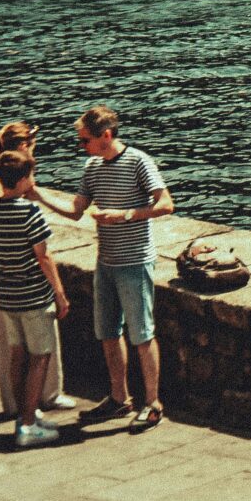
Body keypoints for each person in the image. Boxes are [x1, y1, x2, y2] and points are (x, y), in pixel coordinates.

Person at [70, 105, 173, 429]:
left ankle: (153, 403)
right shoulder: (92, 166)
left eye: (85, 140)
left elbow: (165, 203)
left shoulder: (138, 161)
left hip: (134, 263)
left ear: (106, 136)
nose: (81, 146)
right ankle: (119, 398)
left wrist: (125, 215)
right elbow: (75, 210)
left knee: (142, 334)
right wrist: (36, 195)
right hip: (106, 262)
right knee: (108, 333)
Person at [0, 122, 80, 420]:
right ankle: (19, 406)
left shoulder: (15, 179)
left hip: (16, 276)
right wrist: (57, 292)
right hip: (8, 273)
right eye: (32, 143)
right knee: (11, 342)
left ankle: (44, 397)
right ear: (23, 146)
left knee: (27, 345)